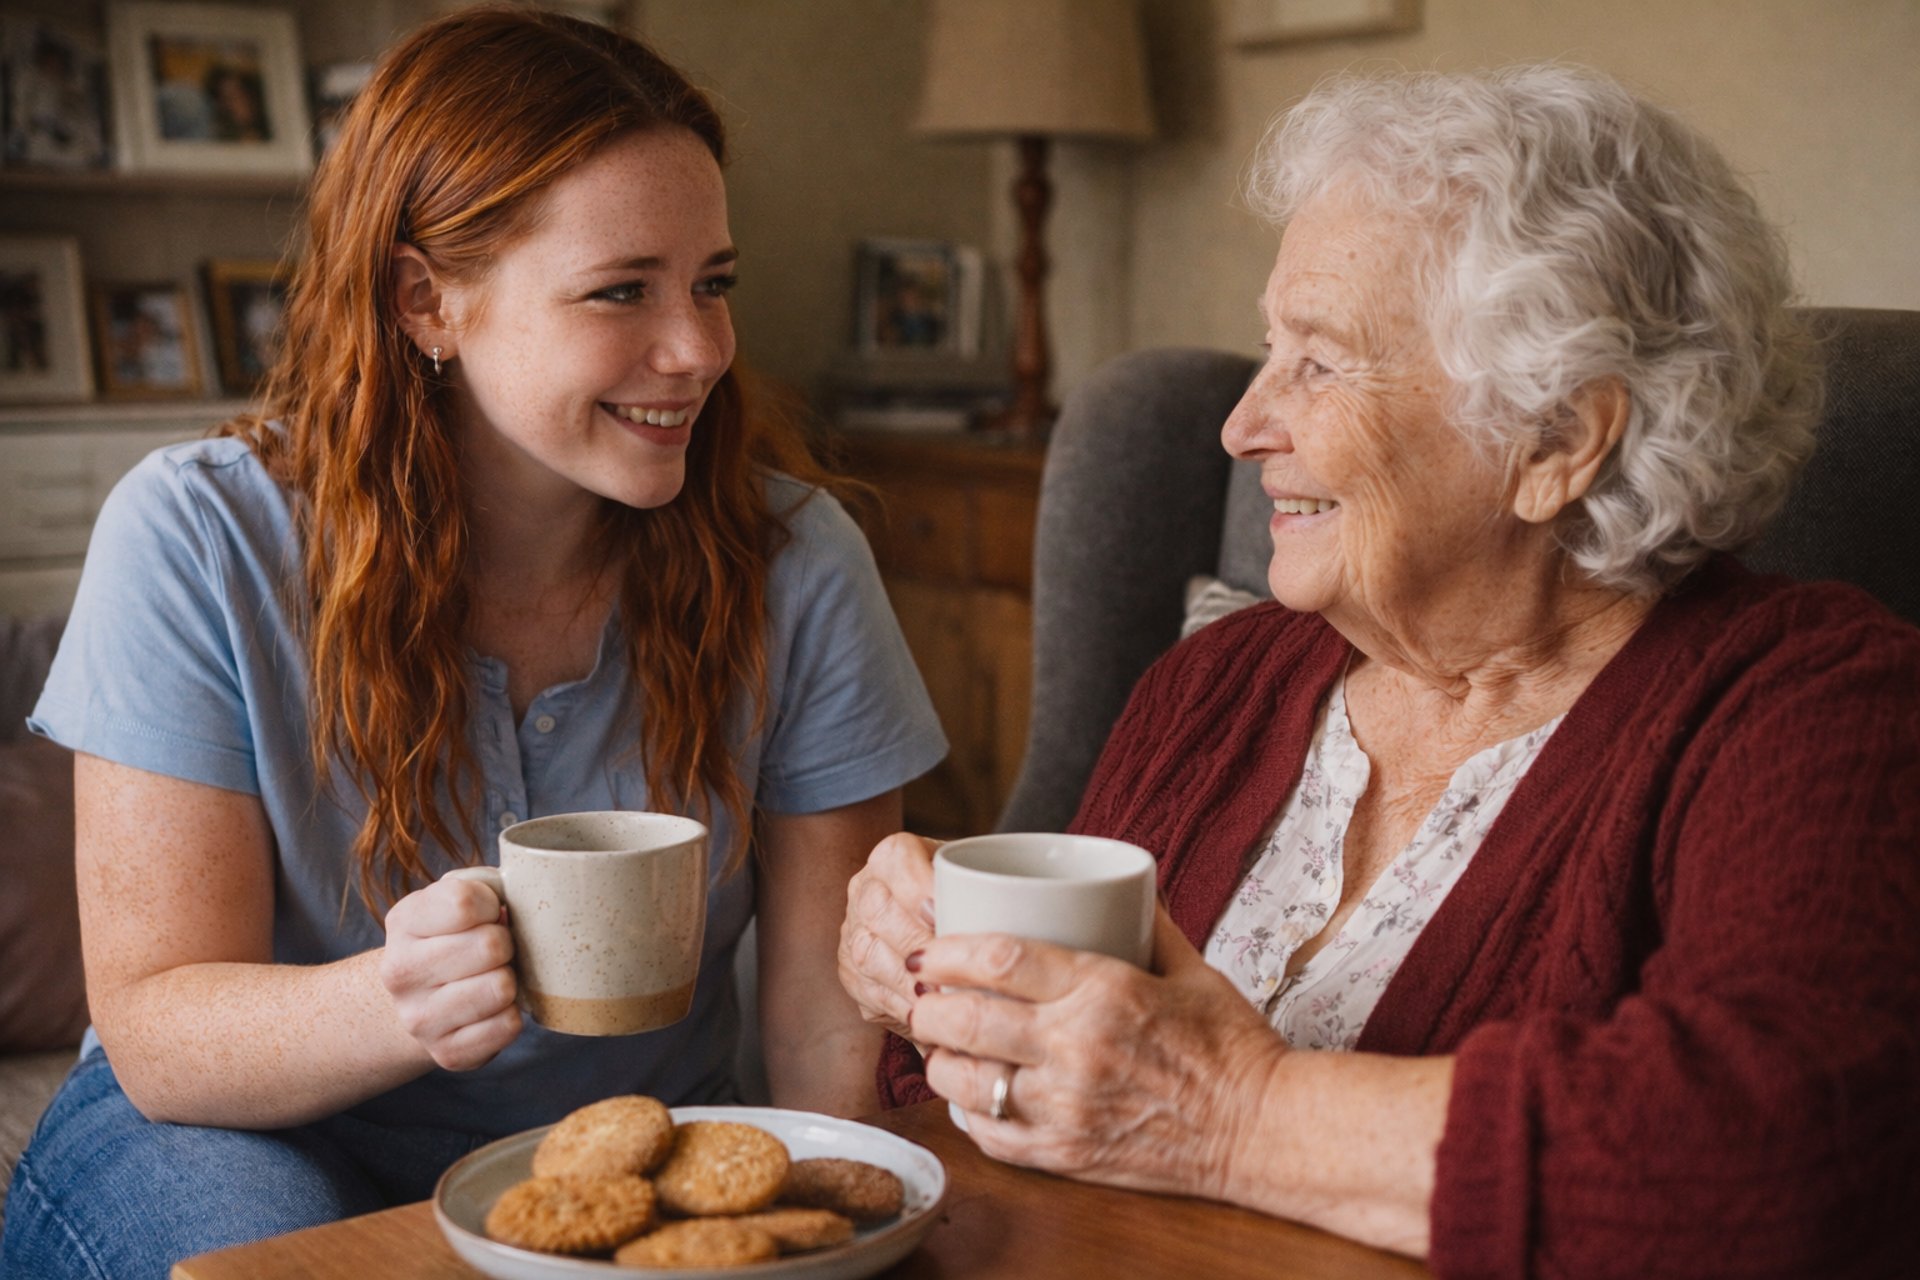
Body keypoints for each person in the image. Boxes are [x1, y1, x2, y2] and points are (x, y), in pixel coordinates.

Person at [839, 64, 1920, 1277]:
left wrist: (1232, 1113)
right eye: (1268, 349)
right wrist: (933, 981)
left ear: (1558, 437)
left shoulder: (1813, 705)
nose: (1242, 425)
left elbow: (1786, 1161)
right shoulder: (1219, 683)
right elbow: (1017, 1100)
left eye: (1321, 362)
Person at [3, 8, 945, 1277]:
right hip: (221, 1131)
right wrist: (393, 998)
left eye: (712, 282)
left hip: (617, 1149)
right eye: (624, 289)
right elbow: (161, 1029)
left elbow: (827, 1017)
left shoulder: (798, 559)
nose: (701, 349)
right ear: (425, 298)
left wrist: (827, 1230)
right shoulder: (198, 537)